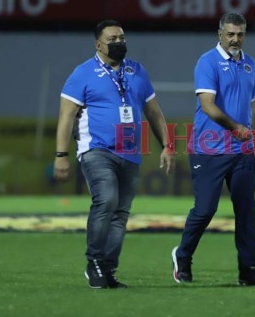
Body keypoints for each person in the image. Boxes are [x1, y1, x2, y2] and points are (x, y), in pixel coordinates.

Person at [53, 20, 175, 289]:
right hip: (97, 149)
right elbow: (66, 115)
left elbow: (153, 111)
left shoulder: (137, 70)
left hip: (130, 152)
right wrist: (61, 154)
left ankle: (108, 269)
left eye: (122, 37)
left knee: (120, 213)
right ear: (98, 44)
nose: (119, 42)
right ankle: (94, 261)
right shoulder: (83, 73)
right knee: (106, 200)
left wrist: (167, 145)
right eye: (113, 39)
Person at [171, 13, 255, 286]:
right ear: (220, 34)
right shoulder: (207, 62)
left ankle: (248, 271)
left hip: (242, 151)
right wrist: (236, 127)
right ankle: (183, 256)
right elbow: (208, 105)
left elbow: (253, 105)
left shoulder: (250, 64)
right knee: (204, 210)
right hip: (208, 148)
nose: (236, 39)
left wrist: (252, 139)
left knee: (246, 212)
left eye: (240, 34)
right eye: (231, 34)